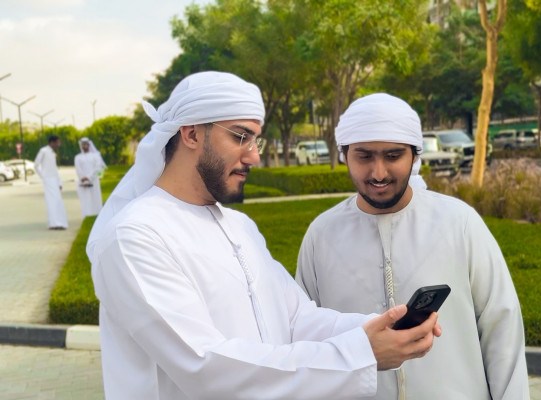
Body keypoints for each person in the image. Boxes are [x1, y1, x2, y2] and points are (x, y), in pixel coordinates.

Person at [87, 72, 442, 399]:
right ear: (191, 133)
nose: (254, 156)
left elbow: (297, 320)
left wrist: (380, 328)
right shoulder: (134, 236)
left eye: (256, 139)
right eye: (240, 136)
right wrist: (360, 354)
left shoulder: (239, 226)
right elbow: (207, 366)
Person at [295, 93, 530, 399]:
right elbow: (304, 339)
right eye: (364, 156)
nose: (379, 173)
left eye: (393, 156)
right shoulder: (322, 235)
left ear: (415, 155)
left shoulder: (459, 223)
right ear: (344, 154)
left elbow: (502, 329)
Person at [34, 135, 68, 230]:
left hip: (54, 180)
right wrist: (43, 176)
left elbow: (55, 169)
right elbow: (36, 165)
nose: (59, 144)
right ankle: (54, 224)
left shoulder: (53, 153)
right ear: (52, 142)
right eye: (57, 142)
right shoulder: (43, 151)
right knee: (51, 201)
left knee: (57, 201)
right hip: (48, 180)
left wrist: (59, 182)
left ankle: (60, 222)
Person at [74, 137, 106, 217]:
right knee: (85, 198)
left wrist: (89, 177)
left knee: (95, 197)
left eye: (85, 144)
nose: (84, 146)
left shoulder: (96, 155)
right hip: (82, 181)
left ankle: (97, 213)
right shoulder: (78, 157)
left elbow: (98, 167)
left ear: (89, 145)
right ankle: (86, 214)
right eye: (82, 145)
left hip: (94, 180)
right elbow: (78, 168)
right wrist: (83, 178)